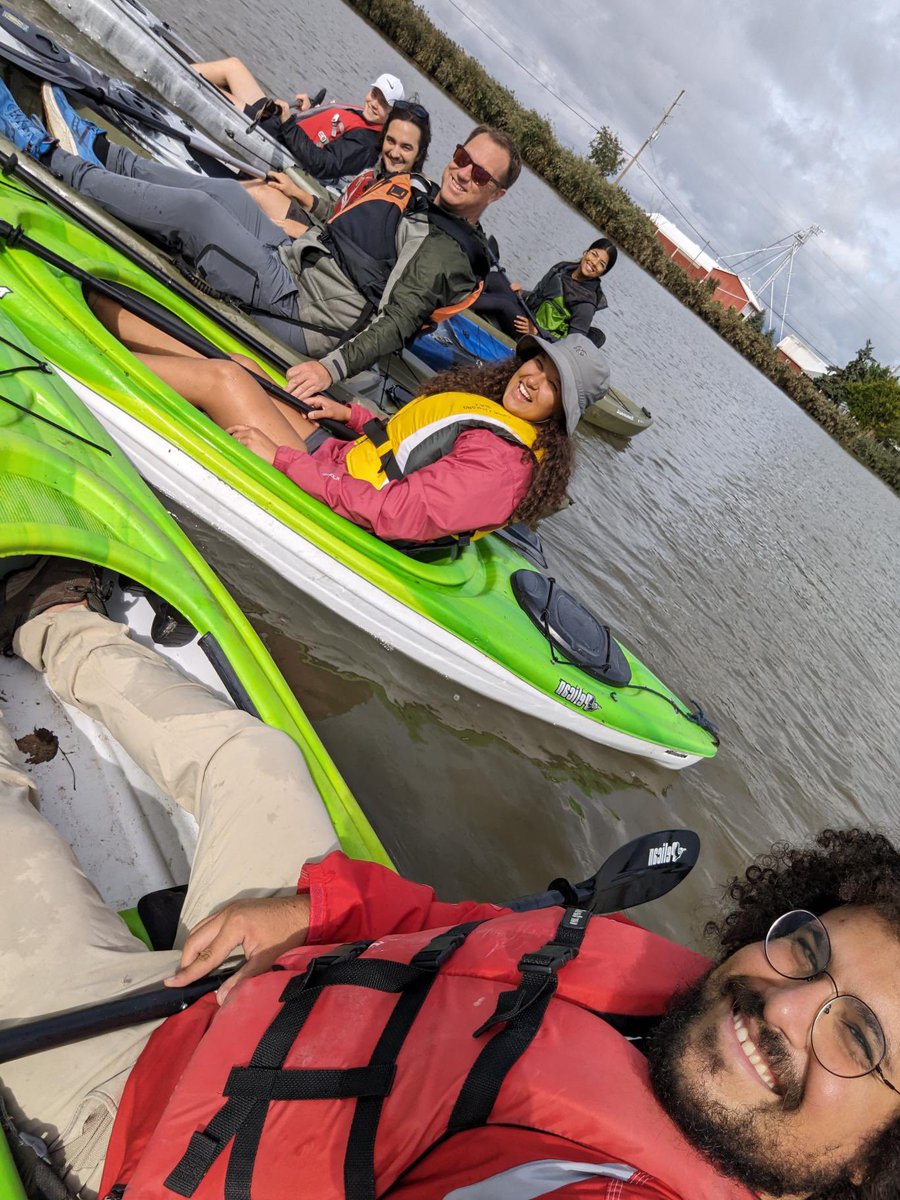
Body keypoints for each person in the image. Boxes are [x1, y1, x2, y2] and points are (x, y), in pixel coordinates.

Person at [2, 571, 899, 1200]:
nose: (786, 1007)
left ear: (876, 1164)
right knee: (257, 758)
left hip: (129, 1114)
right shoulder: (676, 1002)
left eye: (857, 1038)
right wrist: (320, 909)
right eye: (811, 950)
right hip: (276, 975)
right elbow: (454, 930)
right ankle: (48, 617)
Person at [4, 83, 516, 397]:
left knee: (199, 212)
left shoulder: (445, 252)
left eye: (481, 175)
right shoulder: (428, 200)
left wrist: (328, 369)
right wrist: (308, 205)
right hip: (299, 266)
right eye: (463, 158)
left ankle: (48, 158)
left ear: (496, 194)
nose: (465, 173)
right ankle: (100, 150)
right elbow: (361, 233)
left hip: (304, 315)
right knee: (228, 192)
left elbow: (396, 323)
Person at [87, 313, 608, 543]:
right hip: (340, 466)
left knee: (227, 381)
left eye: (554, 385)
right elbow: (415, 445)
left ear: (562, 416)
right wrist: (355, 417)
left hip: (341, 502)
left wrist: (281, 458)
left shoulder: (503, 467)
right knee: (242, 365)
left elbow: (397, 513)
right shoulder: (498, 420)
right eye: (538, 363)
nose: (533, 379)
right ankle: (100, 324)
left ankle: (87, 362)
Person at [191, 58, 404, 187]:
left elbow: (323, 165)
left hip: (271, 138)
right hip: (278, 124)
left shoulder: (367, 144)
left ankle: (173, 69)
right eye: (374, 93)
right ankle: (180, 63)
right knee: (233, 66)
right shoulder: (363, 116)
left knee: (214, 92)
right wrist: (309, 112)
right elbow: (325, 133)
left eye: (383, 102)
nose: (374, 102)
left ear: (392, 113)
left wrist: (288, 123)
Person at [242, 99, 432, 239]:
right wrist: (298, 193)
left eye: (406, 147)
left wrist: (305, 233)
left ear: (419, 154)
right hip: (323, 231)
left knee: (260, 192)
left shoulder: (404, 201)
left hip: (323, 251)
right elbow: (338, 212)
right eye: (391, 141)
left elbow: (356, 252)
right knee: (265, 185)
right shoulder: (375, 176)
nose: (395, 152)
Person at [473, 238, 618, 340]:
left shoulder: (586, 304)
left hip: (534, 338)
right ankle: (462, 290)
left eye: (601, 264)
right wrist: (522, 293)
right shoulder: (563, 268)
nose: (593, 262)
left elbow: (572, 346)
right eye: (594, 254)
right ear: (585, 252)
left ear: (602, 273)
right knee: (497, 279)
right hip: (527, 313)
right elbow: (545, 297)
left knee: (503, 303)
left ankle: (459, 303)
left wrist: (536, 331)